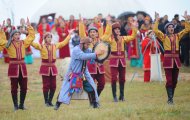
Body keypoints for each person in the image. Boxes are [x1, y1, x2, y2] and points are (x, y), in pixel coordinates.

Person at [54, 37, 104, 110]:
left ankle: (95, 104)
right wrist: (96, 54)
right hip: (73, 74)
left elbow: (92, 58)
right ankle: (57, 104)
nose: (88, 46)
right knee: (65, 90)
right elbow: (83, 56)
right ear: (82, 44)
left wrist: (100, 53)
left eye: (89, 44)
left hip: (83, 74)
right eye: (87, 44)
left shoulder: (87, 50)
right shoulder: (76, 50)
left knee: (91, 87)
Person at [153, 11, 190, 104]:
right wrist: (157, 20)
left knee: (174, 82)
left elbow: (187, 30)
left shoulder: (178, 35)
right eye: (169, 27)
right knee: (169, 80)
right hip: (168, 61)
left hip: (176, 61)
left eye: (172, 27)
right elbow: (155, 31)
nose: (171, 28)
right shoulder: (164, 37)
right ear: (166, 29)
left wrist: (186, 19)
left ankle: (171, 98)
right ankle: (170, 99)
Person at [0, 18, 35, 111]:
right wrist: (1, 30)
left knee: (24, 87)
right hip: (13, 67)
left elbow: (31, 37)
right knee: (14, 87)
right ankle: (15, 105)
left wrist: (29, 26)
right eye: (15, 34)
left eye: (19, 34)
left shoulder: (23, 43)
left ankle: (21, 105)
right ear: (12, 36)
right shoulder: (9, 44)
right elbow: (1, 40)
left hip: (23, 67)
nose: (18, 36)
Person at [31, 31, 71, 107]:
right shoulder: (41, 46)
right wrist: (29, 37)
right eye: (47, 37)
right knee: (46, 85)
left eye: (50, 37)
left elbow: (63, 43)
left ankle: (50, 101)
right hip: (45, 68)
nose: (49, 39)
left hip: (53, 68)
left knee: (53, 85)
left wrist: (69, 35)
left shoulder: (54, 46)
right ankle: (46, 102)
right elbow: (34, 44)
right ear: (44, 39)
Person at [103, 20, 137, 102]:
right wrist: (108, 25)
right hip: (114, 61)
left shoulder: (123, 38)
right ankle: (114, 96)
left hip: (122, 61)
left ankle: (121, 96)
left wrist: (133, 27)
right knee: (114, 79)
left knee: (122, 79)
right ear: (113, 31)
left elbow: (132, 36)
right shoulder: (111, 39)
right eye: (116, 29)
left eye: (118, 29)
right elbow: (104, 38)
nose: (118, 30)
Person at [79, 15, 112, 96]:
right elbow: (82, 34)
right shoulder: (87, 41)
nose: (93, 33)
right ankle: (93, 99)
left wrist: (108, 23)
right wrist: (81, 23)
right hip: (90, 67)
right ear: (89, 34)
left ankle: (96, 96)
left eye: (94, 32)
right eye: (91, 32)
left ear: (97, 33)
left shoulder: (101, 40)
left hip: (100, 67)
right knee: (90, 85)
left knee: (102, 84)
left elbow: (108, 34)